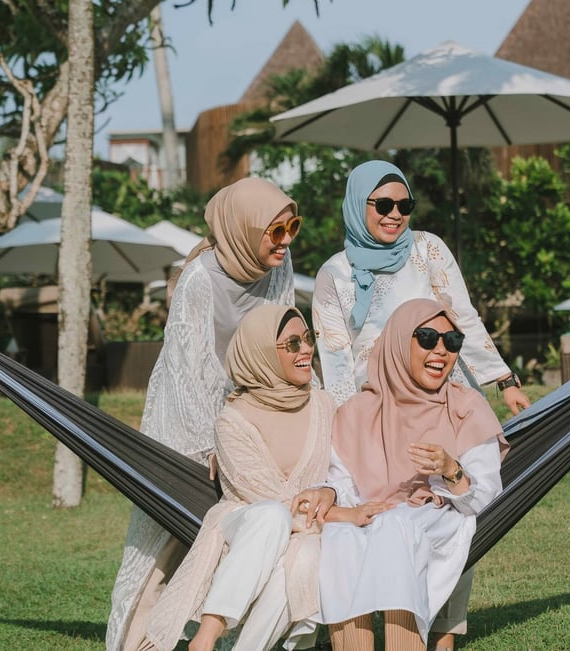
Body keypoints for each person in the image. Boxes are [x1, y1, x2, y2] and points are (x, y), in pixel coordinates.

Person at [312, 159, 529, 649]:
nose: (395, 215)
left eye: (404, 205)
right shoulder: (335, 274)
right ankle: (363, 630)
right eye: (382, 205)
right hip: (374, 410)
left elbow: (461, 320)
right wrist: (359, 427)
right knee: (370, 520)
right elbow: (336, 360)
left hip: (435, 396)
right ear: (357, 205)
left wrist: (503, 379)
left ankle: (444, 634)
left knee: (442, 513)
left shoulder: (428, 250)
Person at [106, 177, 303, 651]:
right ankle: (135, 642)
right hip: (184, 427)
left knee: (254, 527)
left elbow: (283, 338)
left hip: (252, 417)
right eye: (275, 232)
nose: (286, 241)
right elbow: (186, 371)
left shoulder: (279, 266)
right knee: (164, 537)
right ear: (243, 229)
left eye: (292, 228)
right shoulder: (199, 279)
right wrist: (211, 442)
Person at [138, 304, 337, 651]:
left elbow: (341, 469)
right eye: (292, 343)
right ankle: (207, 637)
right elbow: (264, 496)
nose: (305, 349)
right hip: (246, 520)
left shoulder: (324, 406)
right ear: (260, 353)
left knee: (302, 556)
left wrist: (331, 492)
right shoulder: (233, 420)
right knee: (274, 517)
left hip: (309, 528)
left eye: (307, 339)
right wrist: (323, 508)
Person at [318, 298, 509, 651]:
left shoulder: (465, 407)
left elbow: (485, 497)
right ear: (397, 342)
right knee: (339, 536)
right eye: (427, 338)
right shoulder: (358, 412)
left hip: (438, 517)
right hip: (373, 515)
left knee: (396, 527)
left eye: (451, 342)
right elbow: (341, 481)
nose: (441, 351)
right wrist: (350, 508)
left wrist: (452, 470)